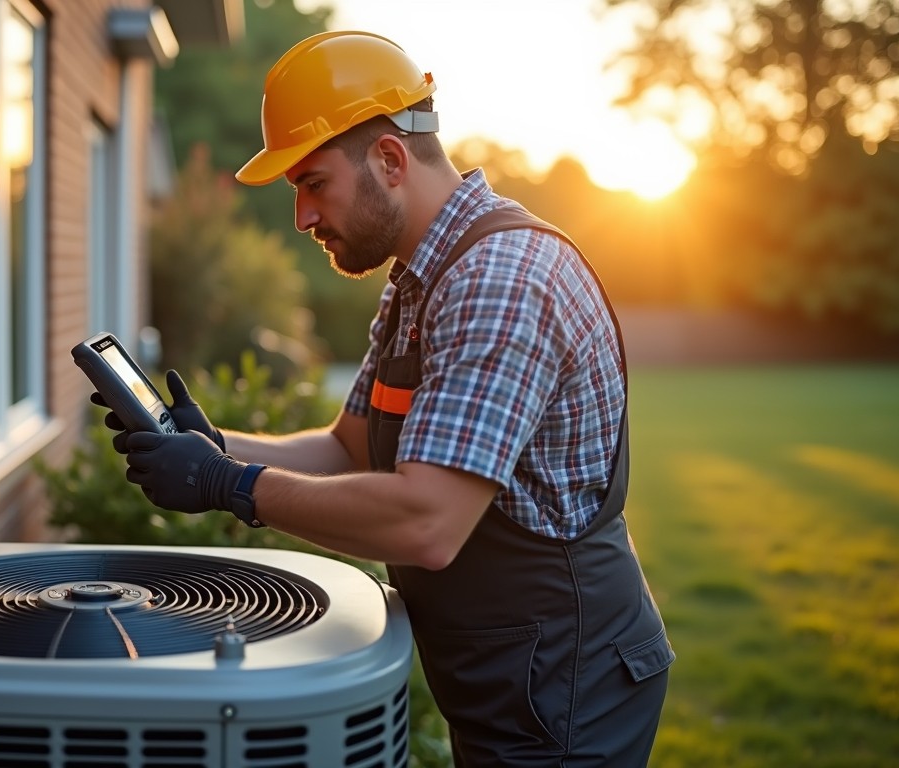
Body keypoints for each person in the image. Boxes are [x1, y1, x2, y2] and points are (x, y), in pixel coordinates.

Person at [93, 30, 674, 767]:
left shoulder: (500, 280)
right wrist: (215, 446)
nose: (302, 218)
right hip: (512, 676)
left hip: (569, 690)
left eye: (312, 183)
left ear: (391, 161)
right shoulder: (416, 282)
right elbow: (349, 448)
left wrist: (228, 486)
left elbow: (427, 522)